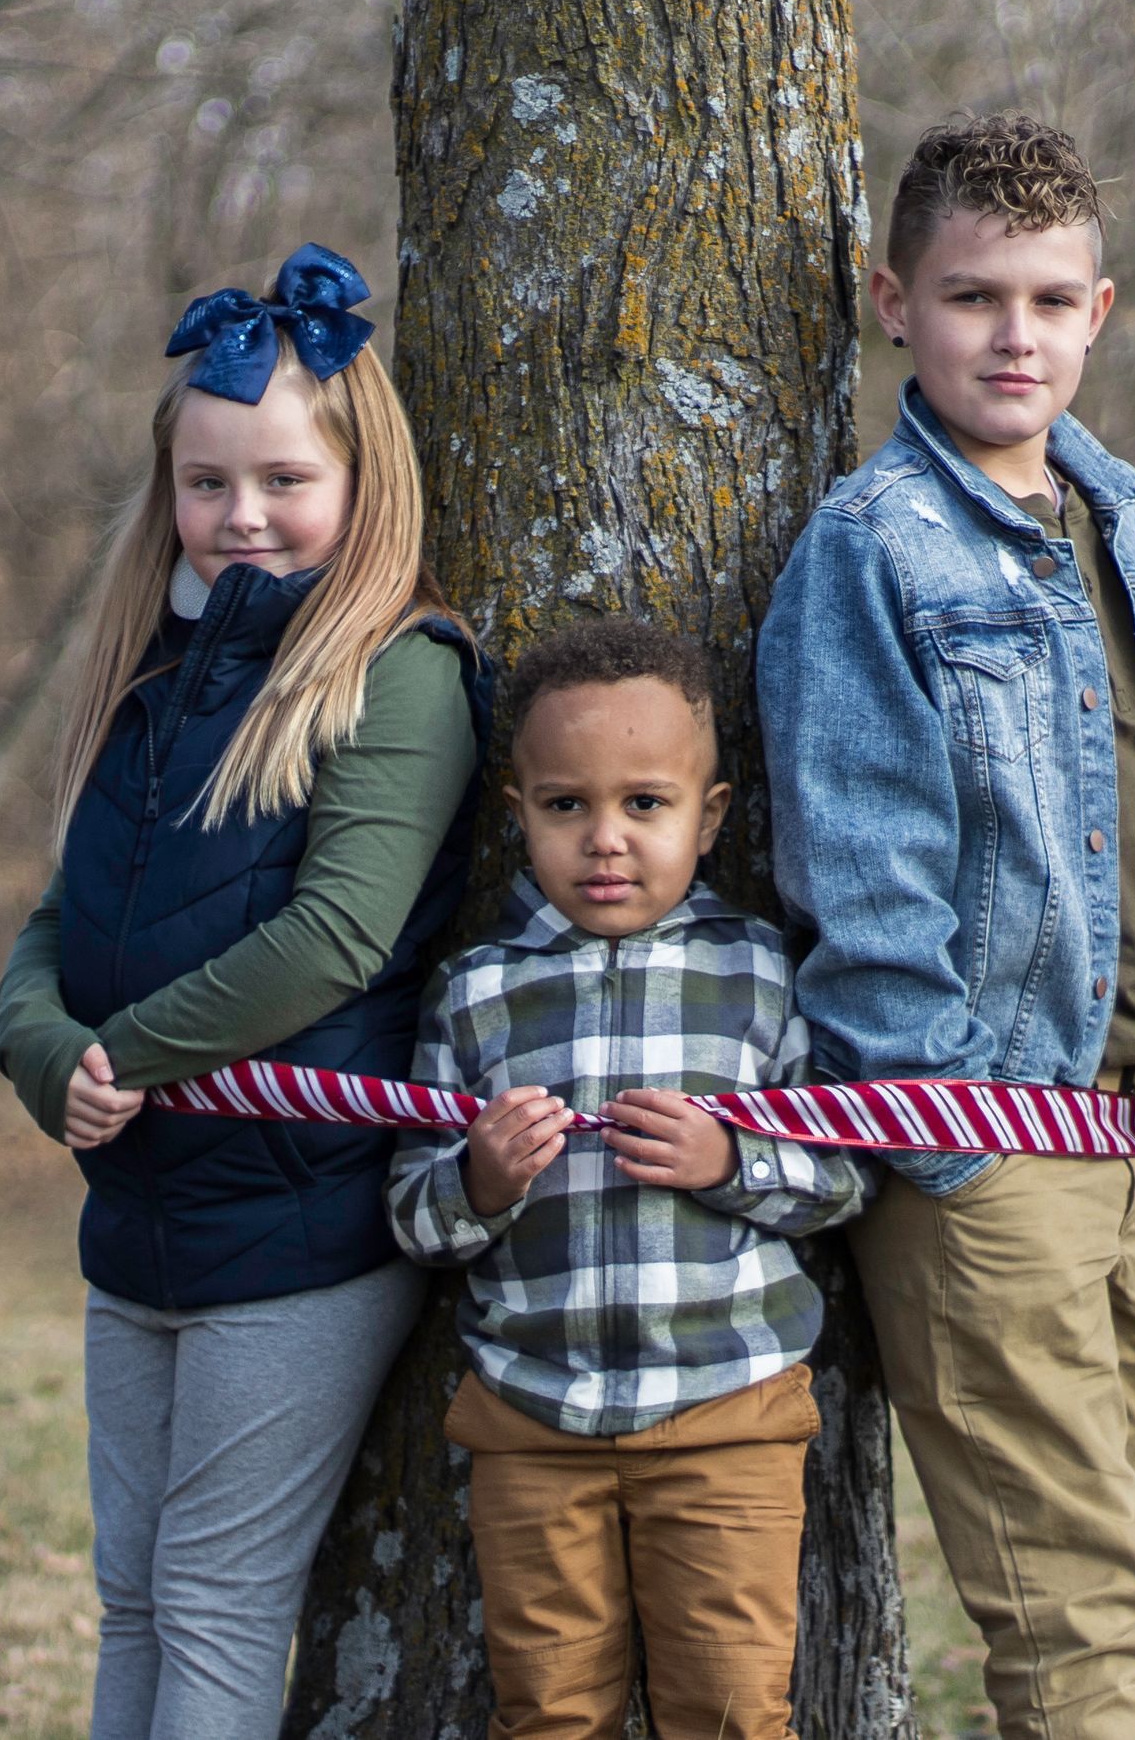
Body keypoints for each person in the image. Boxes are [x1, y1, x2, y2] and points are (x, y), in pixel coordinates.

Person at [757, 112, 1135, 1740]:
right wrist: (950, 1130)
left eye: (1046, 298)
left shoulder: (1110, 525)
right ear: (895, 301)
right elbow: (863, 871)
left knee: (1125, 1579)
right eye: (973, 296)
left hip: (1122, 1132)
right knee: (1073, 1614)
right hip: (987, 1143)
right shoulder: (877, 545)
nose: (1012, 334)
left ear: (1099, 311)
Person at [0, 243, 490, 1740]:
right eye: (208, 485)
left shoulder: (397, 673)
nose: (244, 516)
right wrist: (48, 1053)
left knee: (215, 1597)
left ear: (360, 481)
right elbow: (51, 921)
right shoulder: (148, 676)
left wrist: (128, 1050)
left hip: (298, 1223)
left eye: (283, 478)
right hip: (137, 1209)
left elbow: (338, 935)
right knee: (134, 1597)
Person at [385, 620, 871, 1740]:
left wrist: (730, 1160)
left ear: (712, 814)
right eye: (567, 805)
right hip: (532, 1419)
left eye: (645, 803)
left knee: (735, 1709)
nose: (606, 839)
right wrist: (483, 1181)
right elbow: (413, 1210)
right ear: (519, 816)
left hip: (725, 1412)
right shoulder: (476, 992)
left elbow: (845, 1177)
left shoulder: (762, 973)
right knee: (549, 1713)